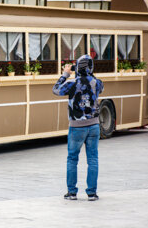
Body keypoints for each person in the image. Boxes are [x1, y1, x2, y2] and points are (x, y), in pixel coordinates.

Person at [52, 54, 104, 201]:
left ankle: (72, 192)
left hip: (76, 127)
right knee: (93, 159)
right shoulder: (97, 83)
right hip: (94, 126)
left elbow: (56, 90)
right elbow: (99, 86)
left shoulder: (72, 83)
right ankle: (92, 193)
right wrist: (89, 74)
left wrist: (65, 75)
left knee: (72, 158)